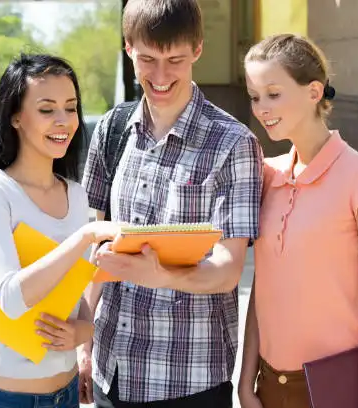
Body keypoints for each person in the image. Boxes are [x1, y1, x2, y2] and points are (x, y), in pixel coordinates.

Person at [80, 0, 264, 406]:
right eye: (147, 59)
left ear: (198, 49)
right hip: (114, 370)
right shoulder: (112, 130)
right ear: (128, 48)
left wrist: (159, 275)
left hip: (189, 381)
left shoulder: (234, 144)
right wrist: (84, 338)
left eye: (175, 59)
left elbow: (228, 270)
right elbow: (97, 252)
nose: (160, 76)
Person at [239, 34, 358, 408]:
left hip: (338, 388)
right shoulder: (266, 175)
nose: (261, 108)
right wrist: (245, 384)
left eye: (273, 93)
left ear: (314, 92)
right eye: (254, 95)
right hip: (270, 388)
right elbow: (263, 288)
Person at [0, 54, 120, 408]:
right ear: (16, 117)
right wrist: (83, 237)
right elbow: (8, 297)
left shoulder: (77, 195)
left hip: (65, 394)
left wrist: (84, 333)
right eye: (47, 109)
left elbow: (73, 291)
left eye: (71, 107)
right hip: (5, 397)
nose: (63, 121)